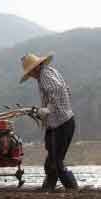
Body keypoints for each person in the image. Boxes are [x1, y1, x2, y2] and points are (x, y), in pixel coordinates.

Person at [20, 53, 78, 191]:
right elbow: (66, 90)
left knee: (56, 162)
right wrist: (45, 112)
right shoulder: (51, 72)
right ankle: (48, 188)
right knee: (50, 161)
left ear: (35, 68)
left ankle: (72, 189)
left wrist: (48, 109)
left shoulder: (45, 75)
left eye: (30, 73)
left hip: (61, 124)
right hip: (60, 122)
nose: (31, 76)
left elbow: (57, 90)